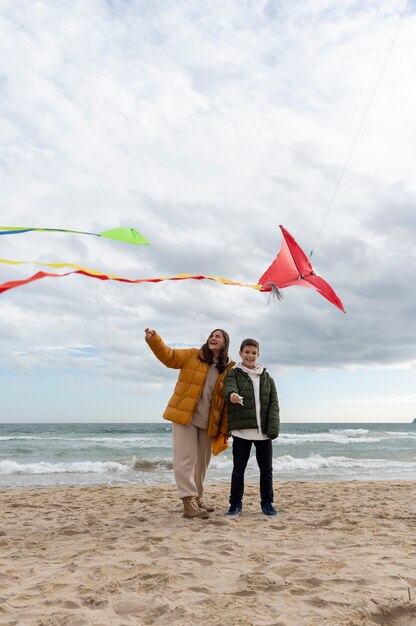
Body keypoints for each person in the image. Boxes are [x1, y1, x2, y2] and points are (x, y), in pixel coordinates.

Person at [144, 328, 234, 519]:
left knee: (202, 463)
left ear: (225, 343)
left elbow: (225, 401)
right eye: (212, 335)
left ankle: (197, 497)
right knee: (185, 459)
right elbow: (169, 356)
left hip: (208, 422)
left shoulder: (227, 368)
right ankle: (188, 501)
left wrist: (225, 428)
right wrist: (154, 340)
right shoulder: (193, 355)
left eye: (218, 336)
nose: (213, 338)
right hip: (185, 416)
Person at [223, 338, 280, 516]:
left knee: (266, 471)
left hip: (263, 433)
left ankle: (267, 504)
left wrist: (272, 429)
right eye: (247, 352)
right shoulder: (234, 373)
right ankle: (235, 505)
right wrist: (232, 395)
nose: (250, 355)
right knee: (238, 470)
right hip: (242, 431)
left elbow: (274, 404)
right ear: (241, 353)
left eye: (253, 353)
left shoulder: (266, 377)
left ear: (258, 355)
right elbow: (228, 388)